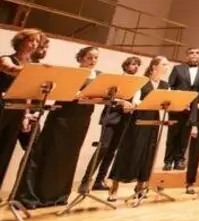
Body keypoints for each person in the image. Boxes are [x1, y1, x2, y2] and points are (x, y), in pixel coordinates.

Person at [16, 46, 100, 209]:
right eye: (90, 57)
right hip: (63, 116)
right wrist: (78, 95)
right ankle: (36, 195)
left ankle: (58, 195)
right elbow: (60, 93)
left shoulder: (98, 76)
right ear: (81, 58)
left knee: (69, 156)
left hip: (82, 119)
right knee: (51, 152)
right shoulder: (72, 73)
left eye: (96, 58)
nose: (93, 61)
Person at [108, 56, 169, 202]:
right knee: (128, 152)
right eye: (164, 64)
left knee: (148, 153)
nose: (167, 67)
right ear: (154, 67)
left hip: (153, 121)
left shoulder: (165, 85)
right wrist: (152, 102)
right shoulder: (142, 82)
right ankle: (114, 187)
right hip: (138, 120)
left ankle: (141, 186)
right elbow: (135, 101)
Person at [83, 56, 142, 191]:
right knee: (103, 148)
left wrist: (134, 105)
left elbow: (136, 99)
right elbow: (107, 95)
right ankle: (86, 181)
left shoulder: (137, 82)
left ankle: (99, 181)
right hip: (111, 116)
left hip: (126, 119)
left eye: (138, 64)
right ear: (126, 66)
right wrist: (122, 102)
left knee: (112, 151)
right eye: (133, 64)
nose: (136, 67)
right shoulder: (117, 78)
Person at [0, 29, 43, 188]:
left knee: (5, 152)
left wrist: (26, 115)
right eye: (31, 40)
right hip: (2, 107)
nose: (34, 44)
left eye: (37, 42)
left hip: (17, 111)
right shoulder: (6, 59)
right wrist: (36, 71)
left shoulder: (33, 66)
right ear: (21, 41)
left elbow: (29, 94)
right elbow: (10, 69)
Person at [165, 47, 199, 170]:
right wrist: (179, 101)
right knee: (172, 135)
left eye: (197, 53)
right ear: (187, 56)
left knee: (185, 135)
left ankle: (179, 160)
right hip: (177, 107)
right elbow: (170, 86)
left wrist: (196, 102)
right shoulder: (177, 68)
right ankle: (168, 161)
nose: (194, 55)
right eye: (192, 53)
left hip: (193, 109)